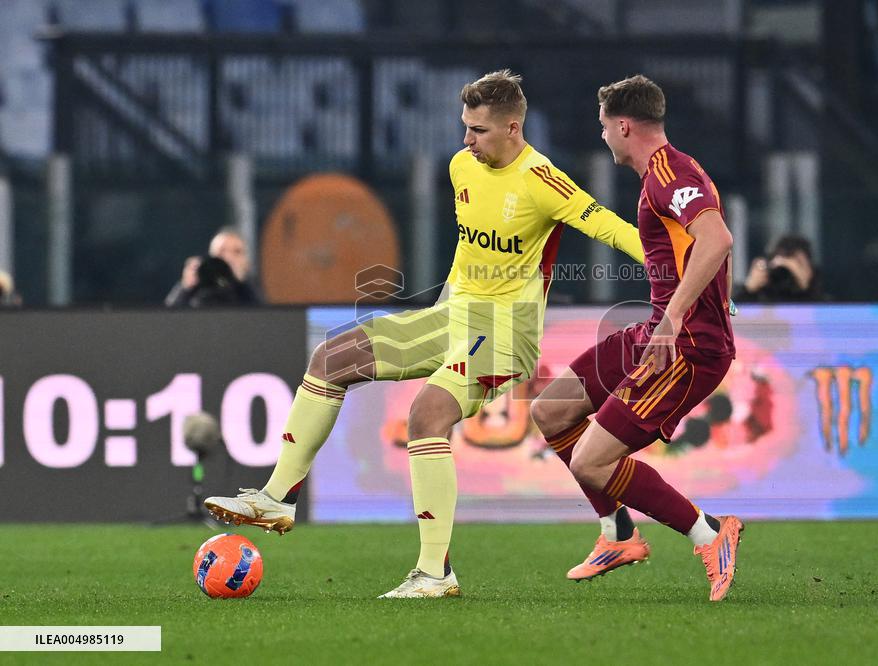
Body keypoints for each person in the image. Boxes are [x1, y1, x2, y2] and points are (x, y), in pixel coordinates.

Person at [204, 70, 645, 598]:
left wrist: (684, 270)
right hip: (451, 316)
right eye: (464, 127)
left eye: (478, 130)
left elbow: (612, 228)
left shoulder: (541, 180)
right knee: (331, 356)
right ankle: (278, 497)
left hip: (505, 333)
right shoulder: (463, 166)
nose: (466, 141)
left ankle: (436, 573)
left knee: (426, 414)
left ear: (512, 127)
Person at [529, 75, 743, 601]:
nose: (602, 136)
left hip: (686, 345)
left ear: (623, 125)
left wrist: (675, 319)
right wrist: (718, 298)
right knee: (551, 411)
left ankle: (710, 534)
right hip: (659, 329)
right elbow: (711, 241)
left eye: (603, 126)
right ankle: (618, 534)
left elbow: (717, 237)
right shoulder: (668, 175)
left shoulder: (669, 172)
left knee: (591, 461)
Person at [165, 227, 261, 307]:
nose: (228, 258)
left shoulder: (249, 290)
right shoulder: (196, 286)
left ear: (246, 262)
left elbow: (260, 317)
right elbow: (168, 317)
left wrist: (238, 281)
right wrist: (186, 286)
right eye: (221, 251)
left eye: (237, 252)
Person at [737, 234, 824, 302]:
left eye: (799, 263)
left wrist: (806, 287)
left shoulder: (825, 304)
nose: (785, 274)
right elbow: (729, 316)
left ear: (810, 269)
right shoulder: (758, 297)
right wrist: (748, 289)